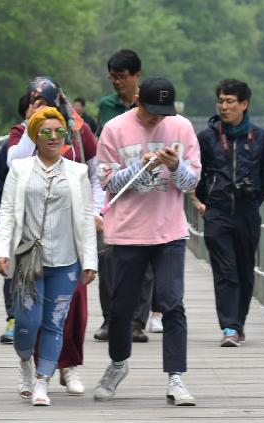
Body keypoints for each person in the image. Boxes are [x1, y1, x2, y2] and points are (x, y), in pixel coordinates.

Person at [93, 77, 201, 406]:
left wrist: (174, 164)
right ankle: (117, 364)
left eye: (163, 113)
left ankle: (176, 377)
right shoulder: (114, 129)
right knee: (121, 307)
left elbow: (191, 180)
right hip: (127, 233)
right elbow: (108, 181)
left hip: (169, 231)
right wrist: (140, 167)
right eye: (152, 111)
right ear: (137, 100)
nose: (158, 119)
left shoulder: (181, 127)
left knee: (172, 303)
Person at [6, 77, 105, 396]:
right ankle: (33, 367)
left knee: (72, 306)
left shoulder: (77, 131)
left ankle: (67, 366)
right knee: (31, 314)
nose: (42, 105)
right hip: (31, 242)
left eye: (46, 100)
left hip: (70, 234)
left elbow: (96, 174)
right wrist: (30, 121)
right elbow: (13, 164)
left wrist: (96, 211)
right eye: (35, 100)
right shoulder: (23, 134)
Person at [191, 79, 264, 347]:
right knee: (225, 270)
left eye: (230, 101)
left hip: (248, 212)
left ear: (244, 104)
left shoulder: (259, 137)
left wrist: (253, 199)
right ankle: (229, 327)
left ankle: (239, 323)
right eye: (221, 101)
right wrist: (205, 200)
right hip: (218, 213)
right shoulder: (207, 137)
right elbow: (197, 173)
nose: (224, 107)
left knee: (244, 270)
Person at [94, 49, 156, 343]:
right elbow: (99, 146)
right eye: (113, 77)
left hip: (146, 190)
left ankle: (136, 322)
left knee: (144, 259)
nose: (116, 82)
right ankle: (110, 319)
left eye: (121, 77)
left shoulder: (151, 102)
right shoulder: (106, 106)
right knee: (108, 258)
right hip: (113, 187)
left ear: (136, 76)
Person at [0, 94, 36, 344]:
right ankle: (13, 318)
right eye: (34, 105)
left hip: (49, 222)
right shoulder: (15, 140)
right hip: (16, 219)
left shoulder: (60, 137)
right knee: (13, 273)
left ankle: (37, 320)